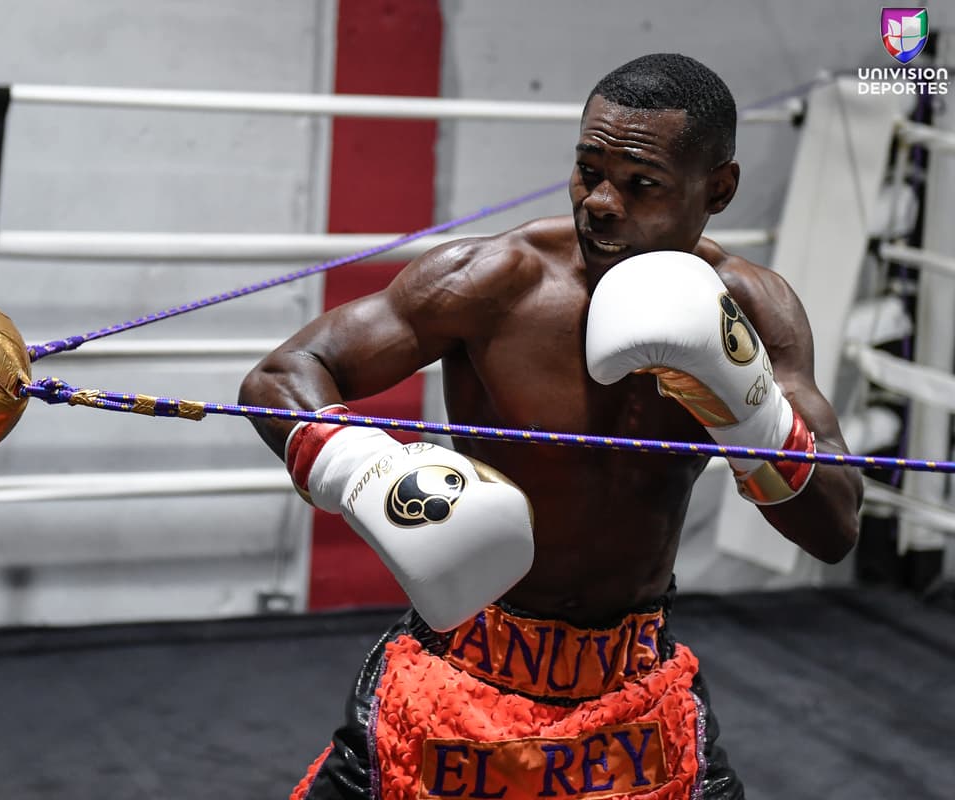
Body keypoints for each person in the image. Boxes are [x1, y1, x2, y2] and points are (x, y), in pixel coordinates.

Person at [239, 53, 863, 800]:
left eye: (641, 184)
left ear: (718, 189)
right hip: (457, 676)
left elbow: (835, 527)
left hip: (633, 694)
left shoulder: (753, 311)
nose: (600, 202)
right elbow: (282, 375)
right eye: (587, 171)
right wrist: (364, 467)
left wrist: (752, 410)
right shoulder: (496, 280)